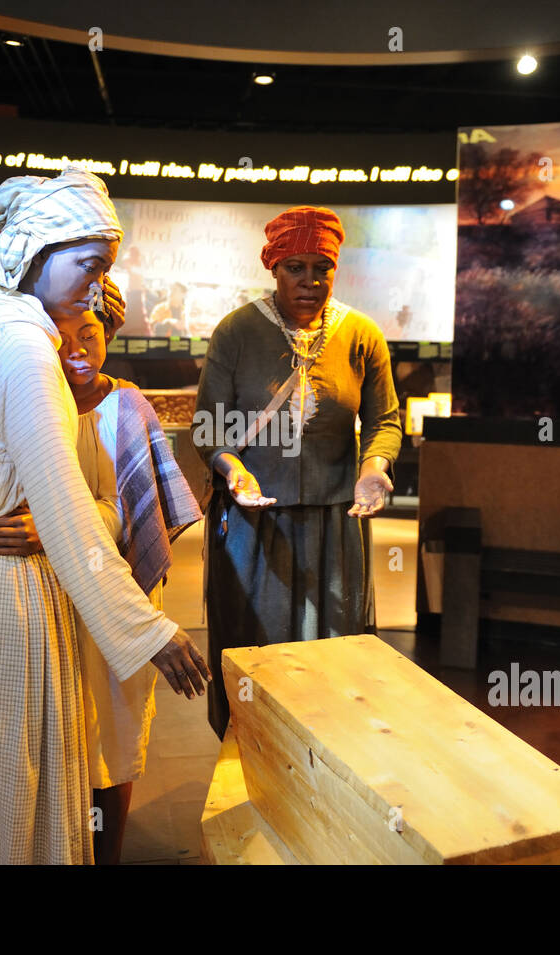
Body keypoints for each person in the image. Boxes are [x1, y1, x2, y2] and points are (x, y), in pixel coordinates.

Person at [0, 166, 209, 866]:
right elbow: (62, 508)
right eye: (89, 264)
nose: (96, 287)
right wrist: (149, 628)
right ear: (36, 250)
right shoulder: (29, 349)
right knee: (8, 774)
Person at [194, 205, 403, 739]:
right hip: (254, 526)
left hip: (336, 523)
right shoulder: (236, 332)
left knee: (333, 652)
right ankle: (250, 766)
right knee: (255, 650)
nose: (310, 281)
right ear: (273, 268)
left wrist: (374, 466)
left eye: (322, 268)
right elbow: (208, 427)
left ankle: (326, 776)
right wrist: (233, 468)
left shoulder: (362, 335)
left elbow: (384, 419)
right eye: (295, 268)